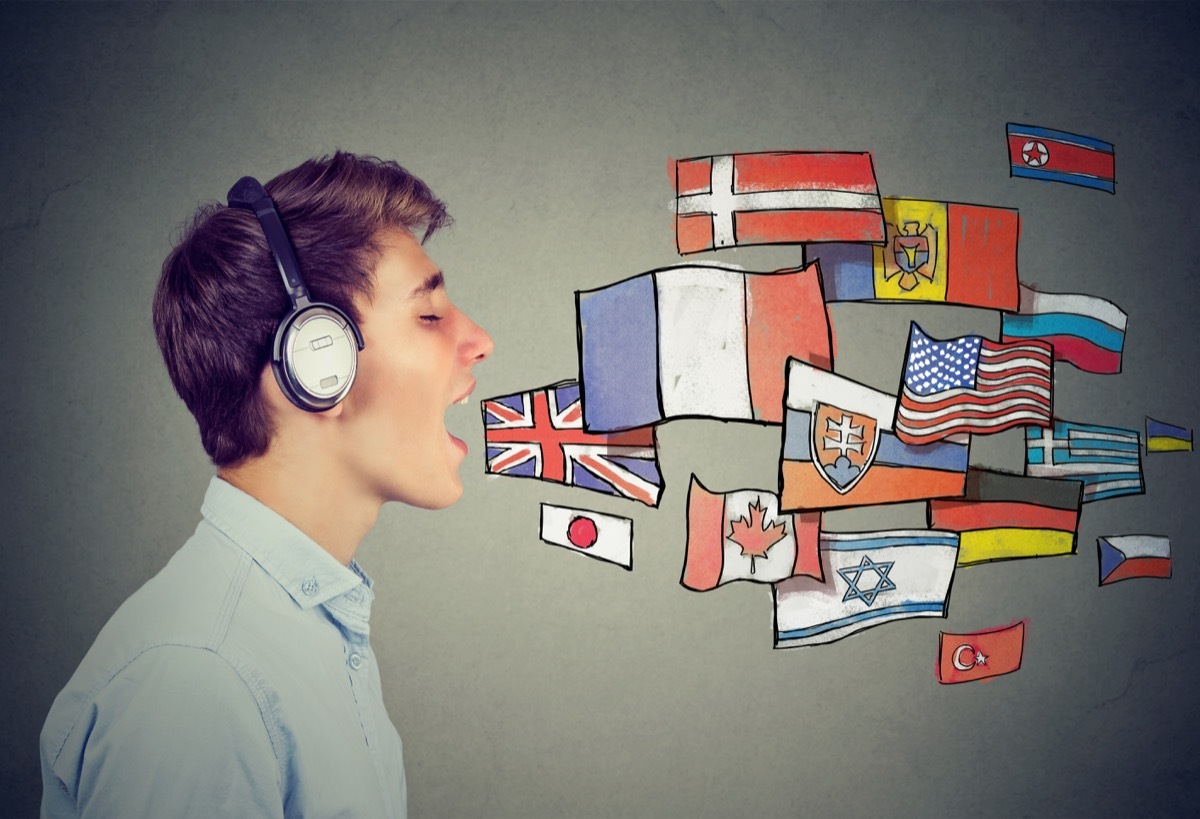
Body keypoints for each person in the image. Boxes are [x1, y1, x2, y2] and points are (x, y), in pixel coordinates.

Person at [38, 151, 493, 818]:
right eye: (428, 314)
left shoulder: (300, 636)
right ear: (318, 362)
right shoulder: (201, 683)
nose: (478, 339)